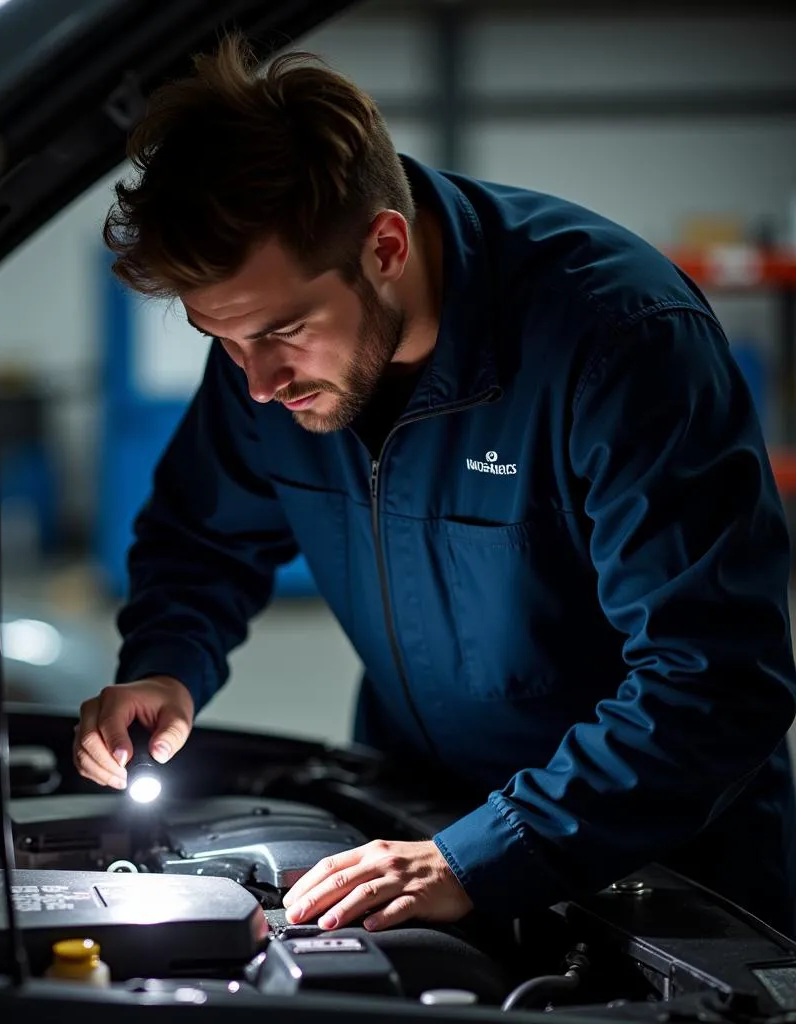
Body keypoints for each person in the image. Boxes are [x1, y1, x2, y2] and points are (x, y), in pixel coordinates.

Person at [74, 34, 796, 936]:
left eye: (283, 330)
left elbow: (717, 680)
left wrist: (488, 850)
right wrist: (165, 664)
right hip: (414, 828)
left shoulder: (619, 342)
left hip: (667, 881)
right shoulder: (269, 359)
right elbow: (203, 535)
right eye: (223, 340)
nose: (256, 382)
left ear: (384, 246)